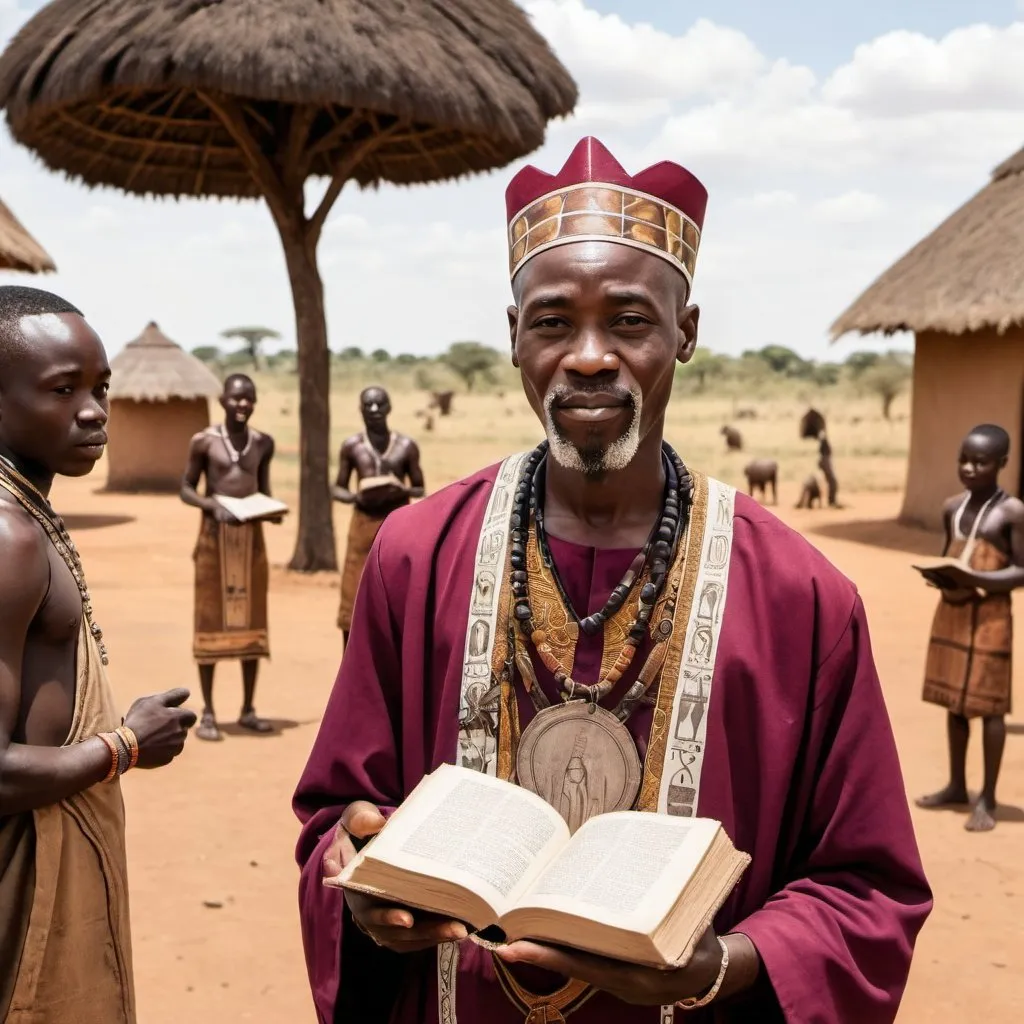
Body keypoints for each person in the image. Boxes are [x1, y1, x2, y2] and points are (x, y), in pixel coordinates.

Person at [294, 138, 931, 1023]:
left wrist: (728, 965)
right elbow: (337, 818)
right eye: (554, 321)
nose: (589, 356)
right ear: (514, 336)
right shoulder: (415, 554)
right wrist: (358, 883)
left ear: (687, 333)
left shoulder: (800, 596)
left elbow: (868, 887)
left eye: (629, 321)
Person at [0, 286, 196, 1022]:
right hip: (21, 883)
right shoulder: (9, 537)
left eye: (100, 387)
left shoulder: (29, 516)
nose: (93, 410)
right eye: (62, 389)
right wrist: (125, 744)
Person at [916, 424, 1022, 831]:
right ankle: (957, 785)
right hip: (953, 613)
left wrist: (978, 581)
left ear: (1002, 464)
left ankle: (989, 798)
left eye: (981, 462)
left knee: (989, 707)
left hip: (992, 620)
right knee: (954, 702)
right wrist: (940, 577)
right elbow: (951, 556)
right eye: (964, 459)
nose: (970, 468)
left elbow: (1021, 571)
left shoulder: (1012, 512)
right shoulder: (951, 508)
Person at [180, 373, 280, 741]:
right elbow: (186, 488)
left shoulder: (263, 443)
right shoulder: (204, 442)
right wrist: (211, 505)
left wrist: (271, 510)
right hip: (213, 541)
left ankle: (248, 709)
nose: (242, 405)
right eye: (236, 398)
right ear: (222, 400)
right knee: (210, 621)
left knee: (251, 621)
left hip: (251, 542)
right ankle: (208, 713)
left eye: (249, 398)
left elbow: (263, 489)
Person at [333, 386, 424, 646]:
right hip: (362, 525)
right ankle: (349, 660)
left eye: (379, 404)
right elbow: (338, 487)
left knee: (396, 589)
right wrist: (355, 496)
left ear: (389, 408)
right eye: (368, 405)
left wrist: (400, 489)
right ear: (361, 409)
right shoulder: (352, 446)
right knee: (353, 594)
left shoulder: (406, 446)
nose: (374, 410)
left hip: (397, 525)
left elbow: (419, 487)